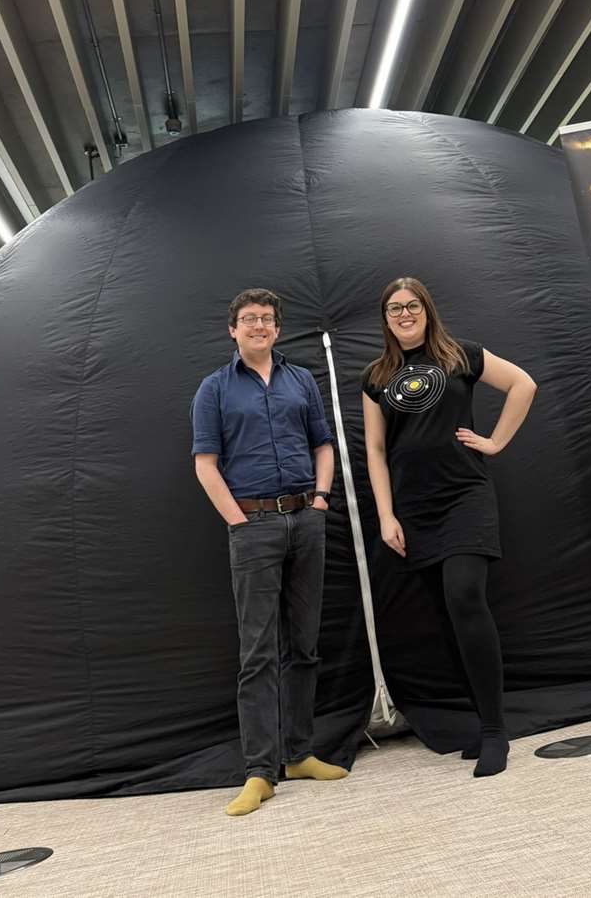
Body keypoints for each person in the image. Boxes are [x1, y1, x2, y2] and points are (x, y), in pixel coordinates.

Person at [361, 276, 537, 778]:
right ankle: (482, 722)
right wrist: (386, 514)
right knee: (444, 617)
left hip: (464, 496)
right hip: (413, 508)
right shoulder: (376, 376)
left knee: (464, 596)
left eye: (412, 305)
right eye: (394, 308)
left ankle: (494, 732)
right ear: (386, 318)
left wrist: (496, 442)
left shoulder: (461, 354)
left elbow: (523, 384)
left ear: (426, 309)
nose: (404, 314)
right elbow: (374, 448)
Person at [192, 288, 349, 817]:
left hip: (307, 519)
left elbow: (322, 444)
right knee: (258, 653)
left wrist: (322, 499)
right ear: (232, 329)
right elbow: (205, 464)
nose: (258, 325)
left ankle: (299, 753)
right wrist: (238, 520)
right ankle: (260, 772)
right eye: (248, 319)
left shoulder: (301, 380)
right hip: (252, 525)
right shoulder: (213, 390)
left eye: (266, 319)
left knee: (304, 645)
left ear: (277, 329)